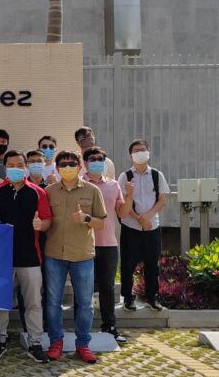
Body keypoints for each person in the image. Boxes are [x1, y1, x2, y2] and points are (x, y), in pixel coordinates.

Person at [44, 150, 107, 364]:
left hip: (82, 254)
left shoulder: (93, 190)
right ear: (57, 168)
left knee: (85, 303)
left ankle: (83, 344)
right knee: (53, 301)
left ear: (80, 166)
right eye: (63, 164)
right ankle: (56, 342)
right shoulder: (49, 191)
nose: (67, 167)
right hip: (55, 254)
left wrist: (86, 218)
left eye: (72, 163)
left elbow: (101, 222)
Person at [0, 150, 52, 363]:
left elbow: (47, 220)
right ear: (5, 168)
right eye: (11, 165)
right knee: (1, 301)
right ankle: (0, 339)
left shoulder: (37, 192)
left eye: (19, 165)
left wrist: (41, 224)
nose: (15, 168)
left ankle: (35, 342)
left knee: (34, 301)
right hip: (2, 258)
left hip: (30, 256)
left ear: (25, 167)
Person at [83, 146, 133, 341]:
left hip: (109, 244)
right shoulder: (79, 184)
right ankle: (82, 329)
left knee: (107, 288)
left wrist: (129, 195)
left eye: (100, 159)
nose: (97, 162)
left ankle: (109, 326)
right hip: (84, 244)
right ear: (85, 163)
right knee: (83, 288)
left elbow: (123, 213)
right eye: (93, 159)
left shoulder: (113, 185)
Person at [118, 139, 170, 312]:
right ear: (130, 155)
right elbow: (122, 202)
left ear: (149, 152)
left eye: (143, 149)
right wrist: (139, 218)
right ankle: (128, 297)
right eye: (136, 150)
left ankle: (152, 297)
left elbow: (162, 200)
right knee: (128, 264)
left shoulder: (157, 175)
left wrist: (147, 217)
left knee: (152, 264)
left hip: (152, 226)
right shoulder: (125, 176)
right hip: (130, 226)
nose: (140, 153)